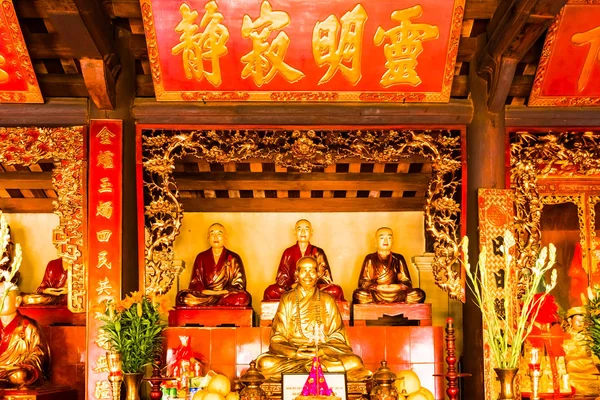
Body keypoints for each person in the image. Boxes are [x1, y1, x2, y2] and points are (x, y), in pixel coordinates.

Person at [257, 256, 371, 382]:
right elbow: (277, 338)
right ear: (296, 274)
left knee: (354, 362)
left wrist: (321, 351)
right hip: (294, 355)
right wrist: (295, 353)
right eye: (304, 270)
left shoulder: (327, 300)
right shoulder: (287, 299)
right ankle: (316, 369)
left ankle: (309, 369)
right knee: (265, 362)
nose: (308, 275)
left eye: (312, 271)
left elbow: (338, 337)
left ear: (318, 275)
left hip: (322, 355)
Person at [263, 219, 344, 301]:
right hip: (293, 288)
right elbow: (282, 276)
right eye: (299, 229)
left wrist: (311, 284)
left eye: (306, 229)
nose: (302, 232)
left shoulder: (318, 252)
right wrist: (292, 285)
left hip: (314, 289)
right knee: (270, 291)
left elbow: (325, 277)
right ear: (294, 232)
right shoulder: (288, 252)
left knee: (336, 290)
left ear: (311, 232)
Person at [176, 223, 251, 307]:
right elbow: (195, 283)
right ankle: (219, 303)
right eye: (212, 234)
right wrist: (209, 293)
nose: (215, 237)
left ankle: (216, 302)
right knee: (182, 297)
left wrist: (221, 293)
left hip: (225, 295)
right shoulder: (201, 257)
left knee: (243, 298)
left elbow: (239, 285)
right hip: (205, 295)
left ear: (225, 237)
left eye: (219, 234)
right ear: (208, 237)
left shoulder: (233, 258)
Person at [352, 227, 425, 304]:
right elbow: (363, 282)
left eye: (389, 238)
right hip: (377, 293)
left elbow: (407, 282)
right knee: (359, 294)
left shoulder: (398, 258)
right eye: (382, 238)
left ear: (392, 241)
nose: (386, 241)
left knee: (419, 294)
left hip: (396, 293)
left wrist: (398, 287)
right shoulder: (370, 258)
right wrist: (377, 287)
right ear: (376, 241)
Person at [0, 280, 50, 387]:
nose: (0, 300)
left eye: (4, 295)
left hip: (14, 371)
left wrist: (18, 365)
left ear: (17, 301)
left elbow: (38, 356)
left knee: (19, 376)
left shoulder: (28, 326)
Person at [562, 306, 600, 396]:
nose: (580, 323)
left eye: (582, 320)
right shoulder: (566, 337)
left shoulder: (589, 336)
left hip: (589, 368)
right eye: (577, 320)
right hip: (574, 368)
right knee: (571, 364)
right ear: (570, 321)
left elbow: (593, 355)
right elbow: (565, 354)